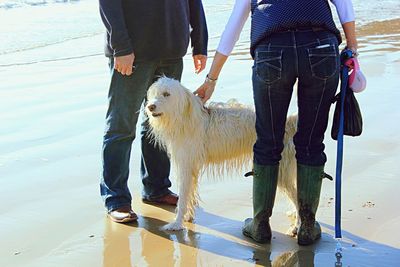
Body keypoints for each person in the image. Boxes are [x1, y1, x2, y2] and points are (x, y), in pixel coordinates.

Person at [195, 0, 358, 245]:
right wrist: (352, 49)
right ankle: (308, 225)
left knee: (267, 141)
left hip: (272, 50)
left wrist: (211, 79)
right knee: (311, 141)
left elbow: (232, 29)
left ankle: (260, 225)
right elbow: (344, 4)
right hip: (321, 47)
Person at [99, 0, 208, 223]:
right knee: (121, 126)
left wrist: (200, 43)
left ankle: (156, 188)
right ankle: (116, 199)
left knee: (161, 126)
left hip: (171, 50)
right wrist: (121, 46)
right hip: (131, 52)